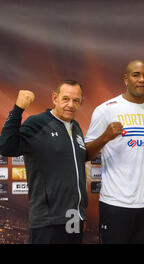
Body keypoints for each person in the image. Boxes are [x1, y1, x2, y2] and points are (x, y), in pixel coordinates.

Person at [84, 59, 144, 244]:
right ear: (126, 79)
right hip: (115, 204)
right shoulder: (106, 110)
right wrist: (105, 137)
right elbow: (84, 154)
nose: (141, 79)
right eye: (136, 75)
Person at [0, 80, 88, 244]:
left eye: (76, 100)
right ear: (55, 98)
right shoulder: (38, 123)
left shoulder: (75, 127)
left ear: (81, 102)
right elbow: (6, 147)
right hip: (48, 219)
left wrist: (81, 212)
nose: (71, 105)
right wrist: (18, 109)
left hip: (74, 217)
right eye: (66, 99)